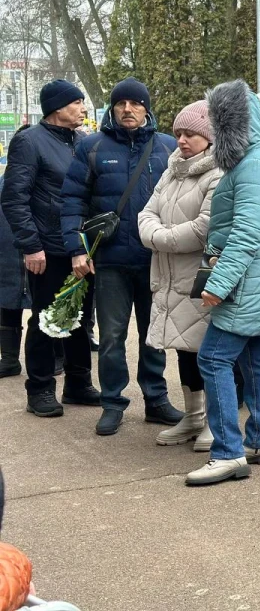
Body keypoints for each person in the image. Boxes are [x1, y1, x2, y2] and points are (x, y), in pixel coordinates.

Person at [186, 80, 260, 486]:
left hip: (245, 283)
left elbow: (248, 234)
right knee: (254, 359)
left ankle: (228, 452)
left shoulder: (252, 166)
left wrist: (218, 283)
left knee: (213, 359)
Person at [61, 77, 181, 436]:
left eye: (135, 103)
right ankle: (112, 403)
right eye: (120, 104)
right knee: (112, 336)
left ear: (147, 108)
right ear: (112, 109)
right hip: (110, 261)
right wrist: (76, 249)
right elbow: (72, 201)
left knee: (153, 334)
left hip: (154, 259)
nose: (128, 109)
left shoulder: (168, 148)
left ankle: (156, 400)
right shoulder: (92, 148)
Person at [0, 82, 100, 416]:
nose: (83, 108)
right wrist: (31, 245)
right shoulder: (29, 142)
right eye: (77, 102)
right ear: (57, 108)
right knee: (46, 319)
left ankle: (78, 383)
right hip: (47, 249)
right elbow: (15, 198)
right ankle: (40, 388)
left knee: (79, 318)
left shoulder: (83, 141)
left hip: (81, 247)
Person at [138, 100, 223, 450]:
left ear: (209, 137)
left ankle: (214, 422)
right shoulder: (172, 170)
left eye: (191, 134)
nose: (183, 140)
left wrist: (161, 238)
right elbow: (147, 212)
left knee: (206, 352)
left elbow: (206, 227)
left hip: (198, 279)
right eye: (178, 134)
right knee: (183, 350)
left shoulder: (217, 173)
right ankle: (193, 416)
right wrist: (158, 235)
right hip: (169, 277)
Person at [0, 125, 32, 380]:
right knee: (8, 301)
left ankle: (57, 355)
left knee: (48, 305)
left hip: (40, 254)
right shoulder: (5, 182)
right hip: (8, 255)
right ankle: (9, 358)